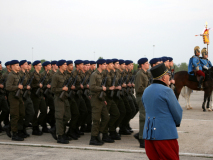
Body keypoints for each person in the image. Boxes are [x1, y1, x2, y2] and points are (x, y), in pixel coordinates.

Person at [142, 63, 183, 160]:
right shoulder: (167, 91)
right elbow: (177, 112)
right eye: (168, 75)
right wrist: (175, 123)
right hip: (165, 134)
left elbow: (146, 108)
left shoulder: (146, 90)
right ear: (164, 78)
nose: (169, 77)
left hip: (148, 134)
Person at [89, 59, 109, 145]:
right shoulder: (94, 75)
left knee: (106, 117)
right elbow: (92, 87)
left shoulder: (101, 74)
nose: (106, 66)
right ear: (100, 65)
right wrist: (102, 88)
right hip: (95, 99)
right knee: (96, 120)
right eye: (104, 64)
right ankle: (93, 139)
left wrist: (104, 100)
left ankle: (98, 133)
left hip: (101, 99)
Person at [51, 60, 71, 144]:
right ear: (60, 66)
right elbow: (53, 89)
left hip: (65, 98)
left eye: (66, 64)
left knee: (67, 116)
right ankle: (60, 136)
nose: (66, 66)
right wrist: (62, 89)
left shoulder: (65, 74)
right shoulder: (56, 76)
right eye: (64, 64)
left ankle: (56, 129)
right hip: (58, 98)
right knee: (59, 117)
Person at [6, 60, 25, 141]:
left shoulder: (17, 74)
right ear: (12, 66)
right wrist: (17, 87)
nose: (18, 66)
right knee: (15, 116)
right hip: (13, 97)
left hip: (19, 97)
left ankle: (15, 129)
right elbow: (8, 87)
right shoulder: (11, 75)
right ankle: (14, 133)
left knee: (21, 114)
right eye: (17, 65)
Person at [134, 58, 149, 148]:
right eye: (146, 63)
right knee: (143, 118)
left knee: (145, 117)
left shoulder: (145, 73)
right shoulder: (140, 74)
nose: (148, 65)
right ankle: (141, 138)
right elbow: (139, 89)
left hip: (145, 97)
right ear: (142, 65)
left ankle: (141, 135)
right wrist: (149, 89)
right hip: (141, 97)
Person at [31, 60, 47, 135]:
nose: (41, 66)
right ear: (35, 66)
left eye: (41, 65)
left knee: (44, 111)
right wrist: (38, 85)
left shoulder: (40, 75)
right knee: (35, 112)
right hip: (34, 96)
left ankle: (38, 123)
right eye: (39, 65)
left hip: (40, 95)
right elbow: (30, 86)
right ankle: (35, 128)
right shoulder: (32, 74)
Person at [19, 60, 34, 138]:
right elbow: (18, 86)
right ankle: (21, 130)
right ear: (21, 65)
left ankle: (24, 127)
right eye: (25, 64)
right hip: (22, 96)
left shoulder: (27, 74)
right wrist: (25, 87)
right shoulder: (19, 74)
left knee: (31, 113)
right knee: (21, 115)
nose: (27, 65)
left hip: (27, 96)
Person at [0, 61, 10, 133]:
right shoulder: (5, 75)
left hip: (2, 94)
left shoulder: (1, 74)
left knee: (6, 110)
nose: (1, 66)